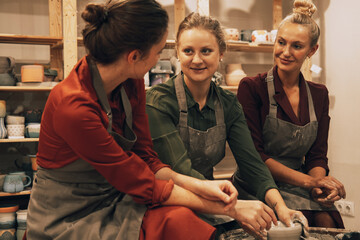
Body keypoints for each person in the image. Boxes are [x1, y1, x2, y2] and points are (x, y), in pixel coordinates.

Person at [24, 1, 278, 240]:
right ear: (134, 56)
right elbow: (138, 181)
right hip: (68, 212)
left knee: (181, 221)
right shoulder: (74, 106)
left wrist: (203, 186)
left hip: (117, 195)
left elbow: (146, 158)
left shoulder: (131, 81)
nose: (159, 60)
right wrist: (231, 209)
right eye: (158, 52)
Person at [146, 12, 305, 238]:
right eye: (188, 51)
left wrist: (280, 206)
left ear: (221, 54)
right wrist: (234, 208)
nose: (197, 59)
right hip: (169, 203)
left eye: (206, 51)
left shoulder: (228, 103)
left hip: (212, 199)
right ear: (177, 54)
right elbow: (179, 170)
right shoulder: (159, 102)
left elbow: (251, 163)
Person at [236, 0, 346, 228]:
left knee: (326, 221)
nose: (285, 52)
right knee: (290, 227)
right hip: (258, 181)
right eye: (281, 42)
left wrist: (319, 186)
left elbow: (317, 155)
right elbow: (255, 157)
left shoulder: (319, 94)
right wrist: (312, 181)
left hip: (300, 181)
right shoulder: (252, 88)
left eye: (297, 46)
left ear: (311, 50)